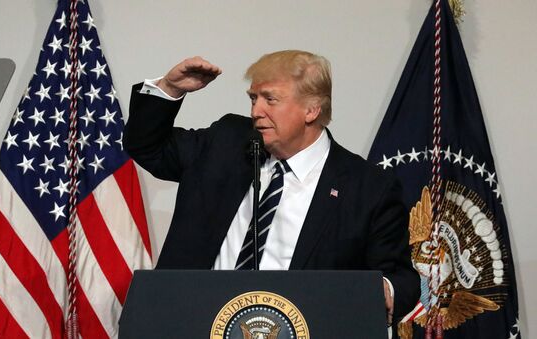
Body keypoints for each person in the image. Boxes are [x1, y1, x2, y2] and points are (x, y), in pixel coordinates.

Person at [123, 50, 420, 325]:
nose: (256, 111)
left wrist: (381, 291)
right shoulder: (226, 142)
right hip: (193, 323)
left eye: (270, 99)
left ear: (312, 109)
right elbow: (148, 147)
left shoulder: (367, 187)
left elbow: (400, 277)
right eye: (253, 98)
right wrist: (170, 89)